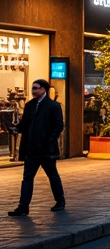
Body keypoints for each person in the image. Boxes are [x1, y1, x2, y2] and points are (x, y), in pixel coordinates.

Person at [7, 79, 65, 215]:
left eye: (36, 88)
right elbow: (25, 123)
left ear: (44, 89)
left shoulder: (53, 106)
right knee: (27, 177)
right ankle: (23, 206)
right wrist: (16, 128)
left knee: (52, 175)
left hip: (46, 149)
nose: (33, 91)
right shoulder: (30, 105)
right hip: (31, 148)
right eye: (33, 88)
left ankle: (60, 200)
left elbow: (58, 126)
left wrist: (50, 139)